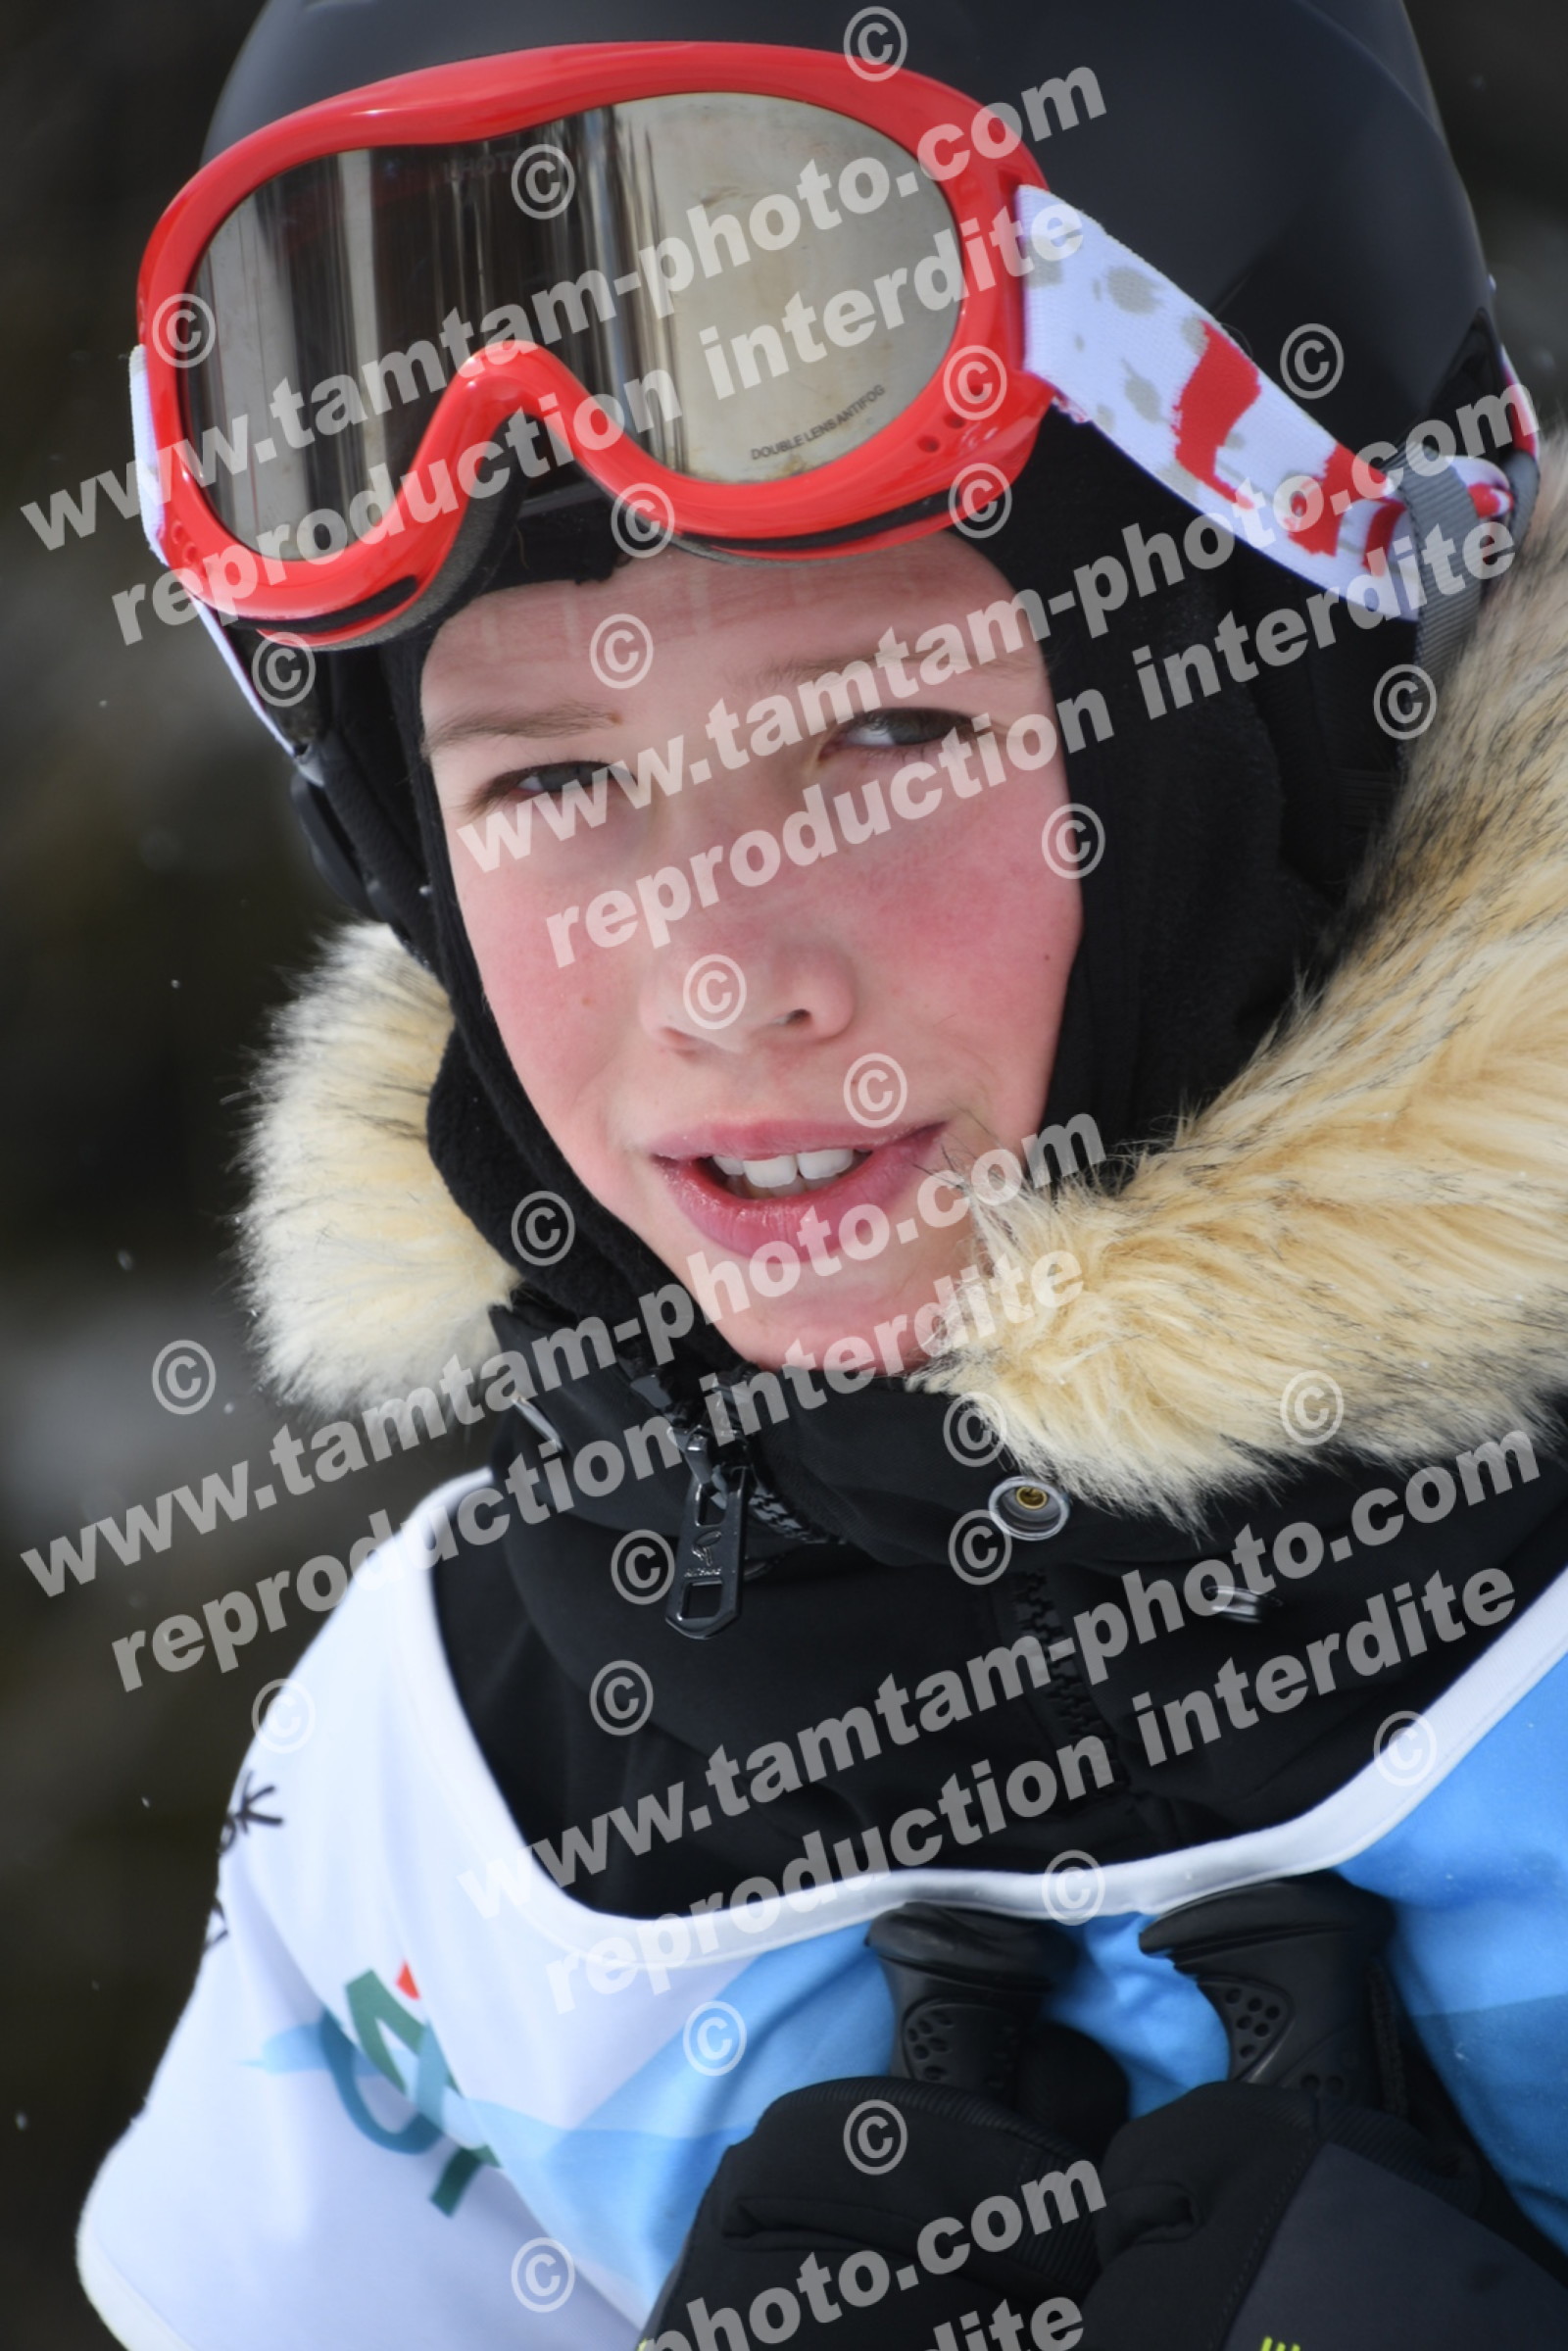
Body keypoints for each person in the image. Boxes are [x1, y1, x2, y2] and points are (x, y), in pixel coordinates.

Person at [80, 1, 1568, 2345]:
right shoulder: (447, 1794)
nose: (713, 975)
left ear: (1266, 705)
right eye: (550, 782)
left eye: (883, 731)